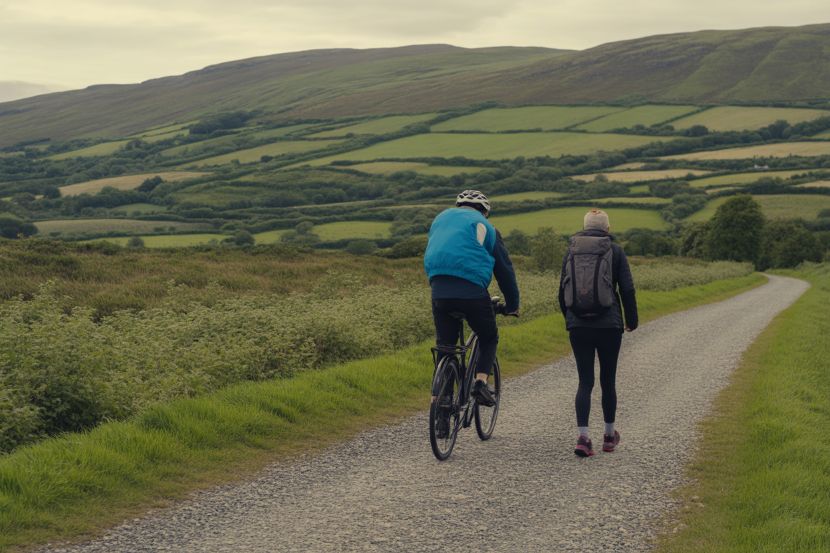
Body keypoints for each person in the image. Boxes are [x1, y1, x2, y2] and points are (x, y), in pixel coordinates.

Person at [424, 190, 520, 435]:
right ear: (484, 211)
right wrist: (513, 304)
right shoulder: (486, 227)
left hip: (439, 289)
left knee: (446, 347)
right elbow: (505, 271)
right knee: (488, 336)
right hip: (471, 291)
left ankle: (442, 411)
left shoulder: (440, 219)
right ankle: (480, 382)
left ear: (458, 206)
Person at [558, 209, 638, 457]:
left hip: (578, 325)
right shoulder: (615, 250)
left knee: (584, 381)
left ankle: (582, 438)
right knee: (607, 380)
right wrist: (631, 320)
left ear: (584, 227)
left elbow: (562, 291)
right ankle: (608, 436)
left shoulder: (571, 249)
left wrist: (570, 319)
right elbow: (627, 288)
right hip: (609, 325)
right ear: (607, 228)